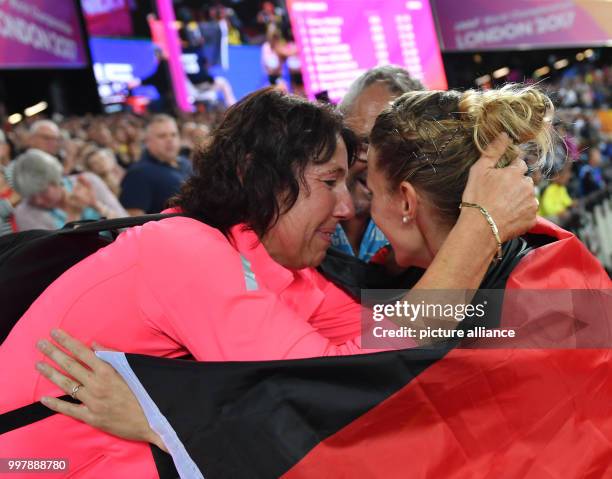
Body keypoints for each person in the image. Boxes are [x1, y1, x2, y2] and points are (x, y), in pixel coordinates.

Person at [33, 85, 611, 473]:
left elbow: (342, 413)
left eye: (359, 186)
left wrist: (160, 421)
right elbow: (343, 376)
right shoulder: (537, 270)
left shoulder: (539, 288)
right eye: (333, 183)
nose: (348, 208)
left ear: (406, 201)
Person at [332, 66, 424, 262]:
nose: (375, 166)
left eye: (393, 152)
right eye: (364, 144)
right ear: (338, 136)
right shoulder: (300, 212)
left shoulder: (425, 235)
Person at [9, 149, 127, 231]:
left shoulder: (89, 181)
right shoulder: (24, 212)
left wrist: (97, 205)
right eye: (30, 197)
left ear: (55, 179)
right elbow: (54, 258)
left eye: (42, 192)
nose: (38, 201)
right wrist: (73, 215)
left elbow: (128, 226)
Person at [119, 115, 192, 215]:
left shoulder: (186, 162)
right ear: (147, 141)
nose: (170, 140)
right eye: (162, 136)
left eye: (174, 134)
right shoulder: (138, 173)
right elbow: (133, 223)